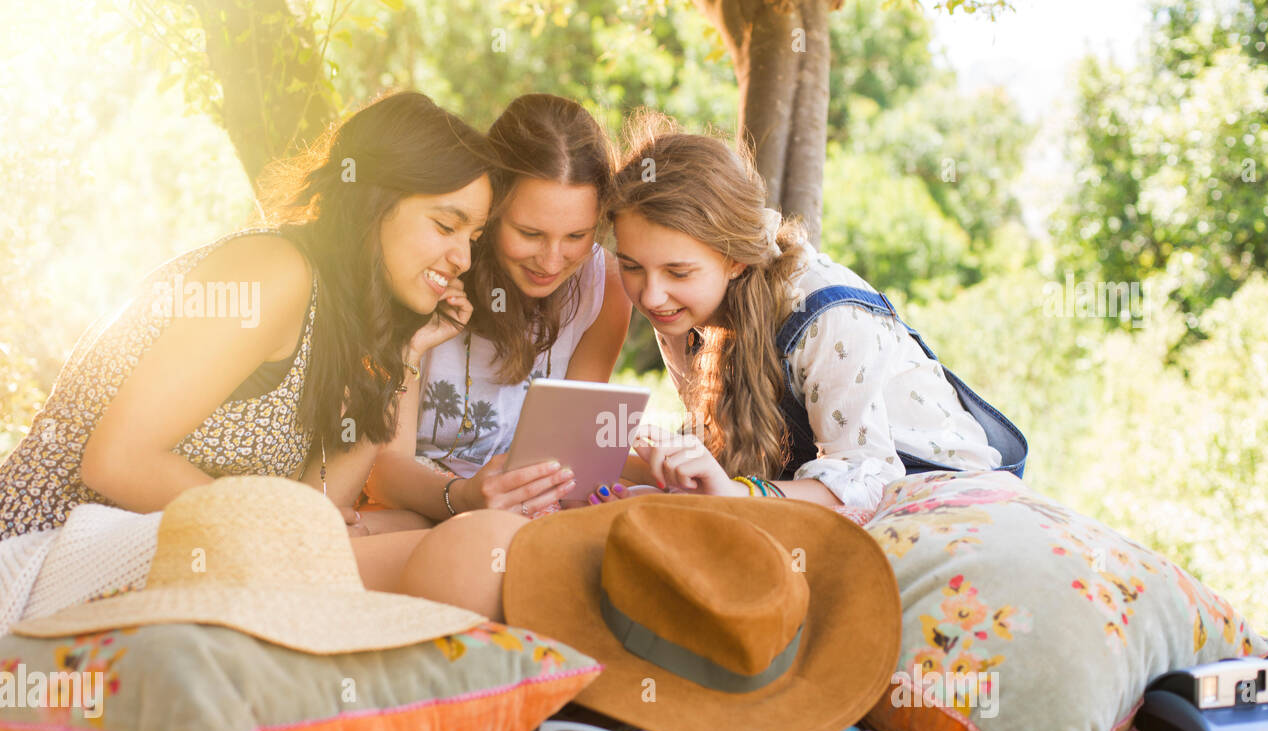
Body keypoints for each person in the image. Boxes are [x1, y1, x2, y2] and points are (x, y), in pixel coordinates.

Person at [0, 90, 492, 541]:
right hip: (49, 542)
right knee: (443, 548)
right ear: (373, 203)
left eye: (472, 238)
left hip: (170, 552)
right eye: (446, 225)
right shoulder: (273, 273)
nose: (463, 260)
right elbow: (116, 462)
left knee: (415, 534)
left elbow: (317, 508)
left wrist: (401, 354)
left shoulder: (344, 317)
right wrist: (273, 523)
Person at [590, 113, 1025, 514]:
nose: (651, 296)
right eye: (631, 266)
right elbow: (724, 471)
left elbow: (864, 479)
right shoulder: (682, 315)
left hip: (932, 491)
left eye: (678, 271)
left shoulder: (826, 314)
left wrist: (737, 493)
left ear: (736, 259)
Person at [364, 93, 632, 525]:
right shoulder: (432, 273)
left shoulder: (603, 286)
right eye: (529, 233)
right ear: (492, 209)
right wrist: (465, 497)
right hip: (418, 504)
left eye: (576, 236)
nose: (551, 261)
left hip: (522, 511)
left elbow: (572, 457)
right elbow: (380, 472)